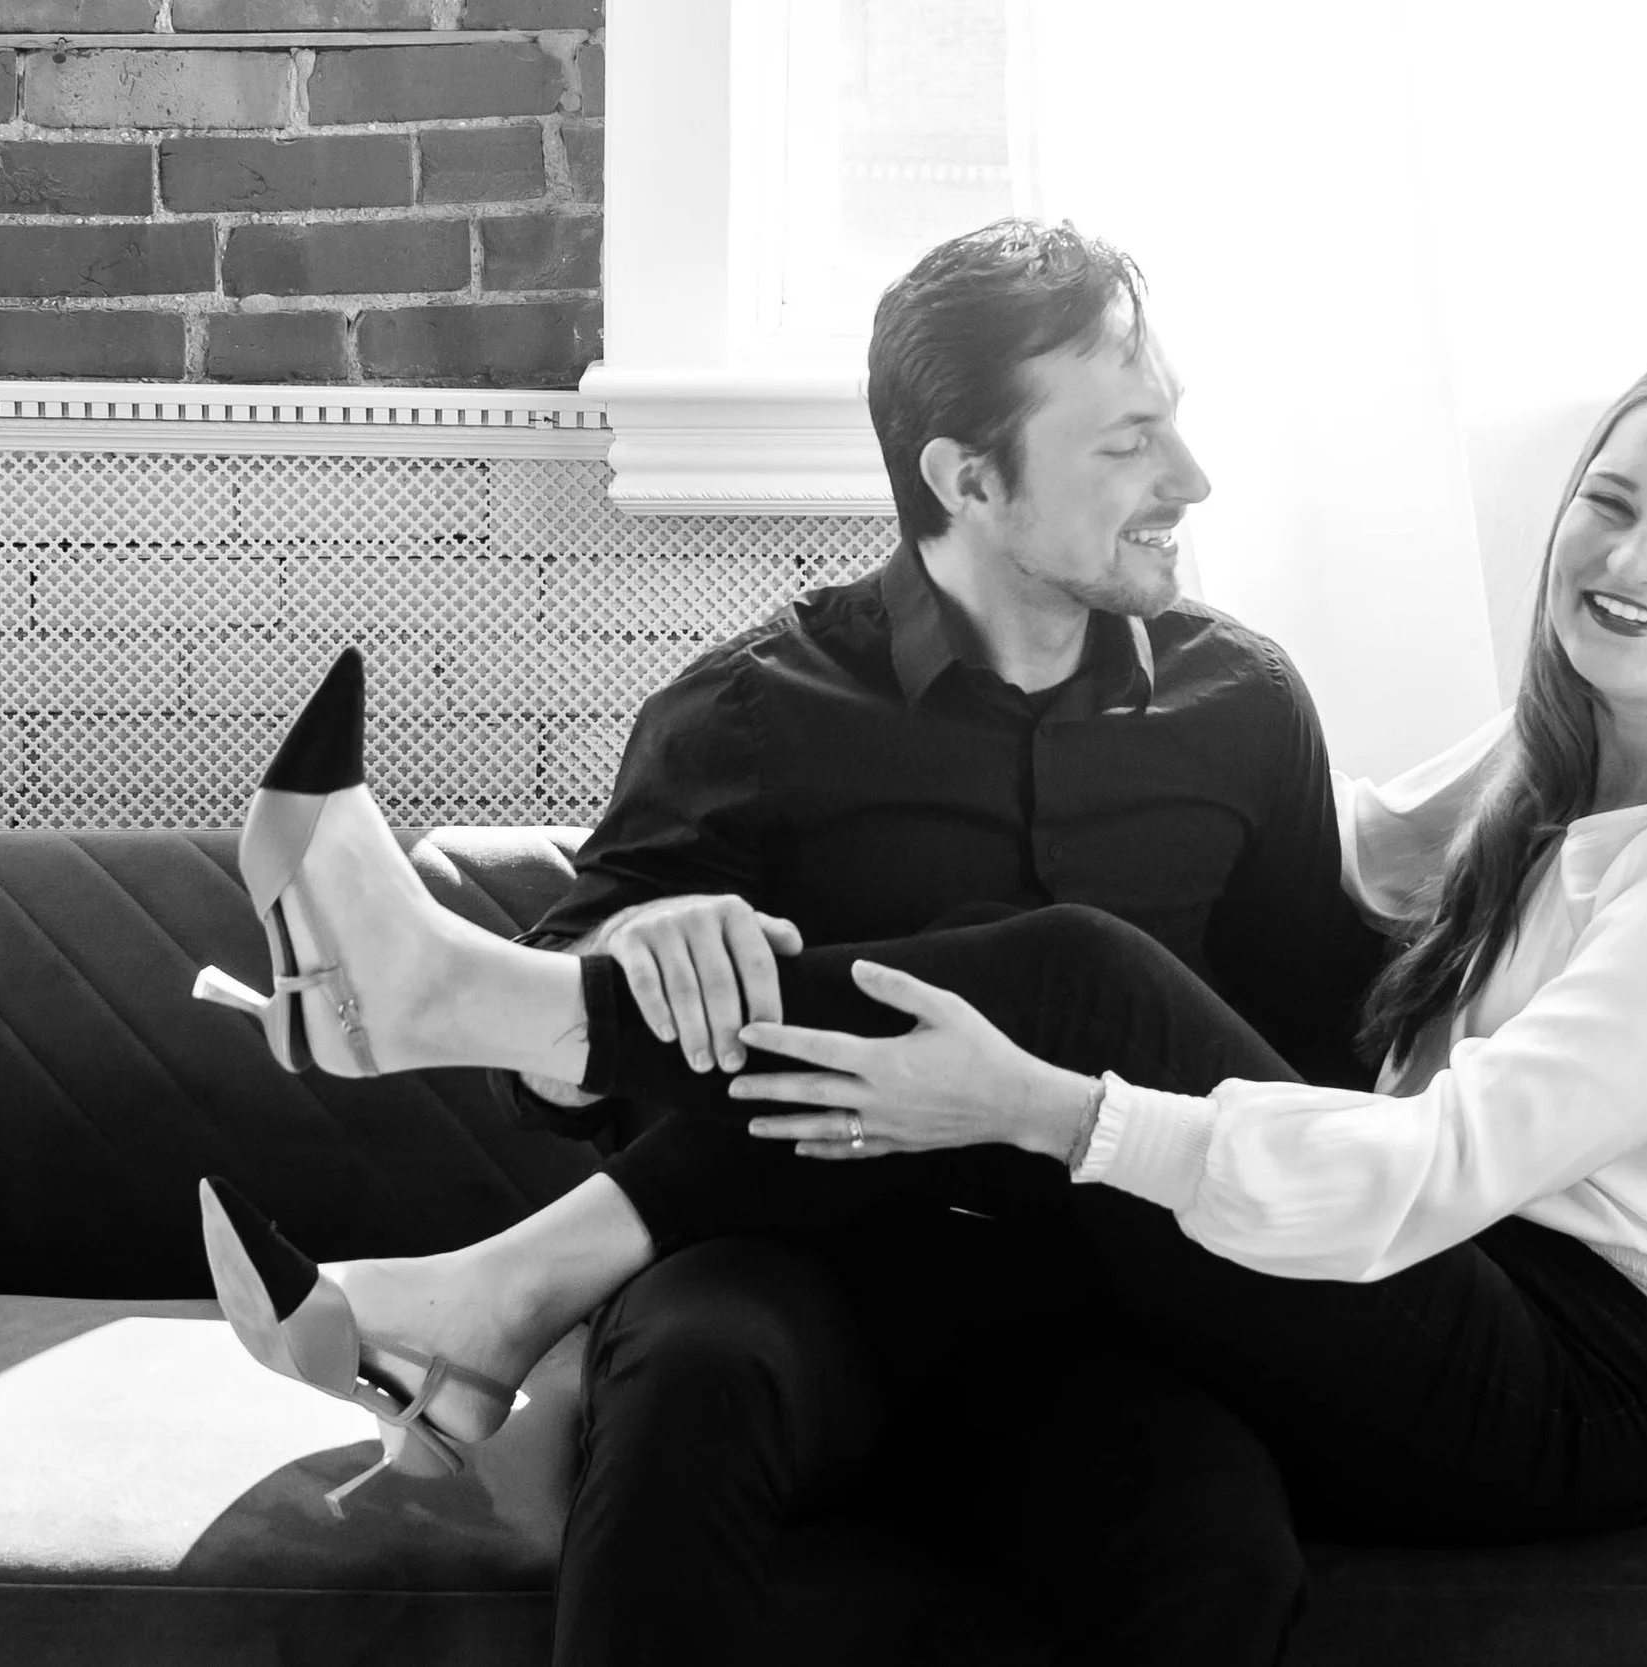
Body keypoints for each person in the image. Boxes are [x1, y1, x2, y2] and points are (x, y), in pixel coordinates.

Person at [195, 353, 1647, 1634]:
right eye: (1612, 504)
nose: (1634, 559)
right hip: (1326, 1288)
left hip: (1569, 1368)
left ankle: (459, 1069)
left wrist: (1048, 1102)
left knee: (1088, 983)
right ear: (968, 478)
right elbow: (1351, 888)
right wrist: (643, 950)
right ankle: (490, 1226)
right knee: (1069, 988)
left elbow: (1422, 1161)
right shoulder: (1557, 763)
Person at [200, 217, 1389, 1667]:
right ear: (967, 478)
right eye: (1129, 443)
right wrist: (646, 937)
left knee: (1218, 1546)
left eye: (1174, 428)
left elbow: (1306, 1062)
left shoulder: (1248, 710)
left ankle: (458, 1149)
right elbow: (547, 1084)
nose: (1188, 482)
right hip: (788, 1278)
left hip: (1105, 1315)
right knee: (692, 1380)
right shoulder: (751, 713)